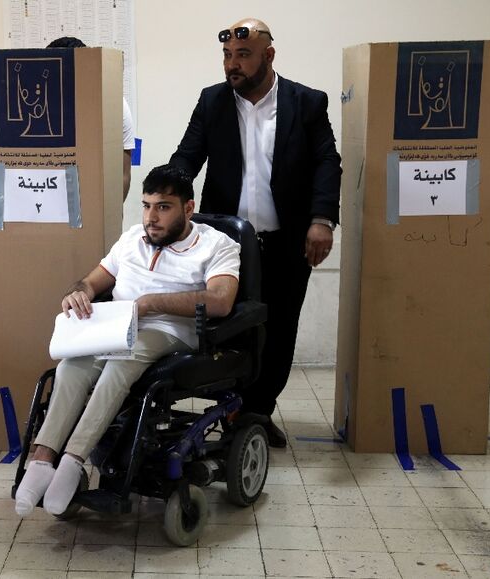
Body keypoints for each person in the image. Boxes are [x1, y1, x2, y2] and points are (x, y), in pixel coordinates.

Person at [14, 164, 241, 517]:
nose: (152, 217)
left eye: (163, 207)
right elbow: (92, 281)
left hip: (170, 330)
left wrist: (152, 303)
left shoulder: (217, 245)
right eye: (147, 205)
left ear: (188, 208)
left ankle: (73, 462)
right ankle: (43, 461)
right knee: (71, 367)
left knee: (120, 363)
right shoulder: (131, 239)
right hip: (117, 325)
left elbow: (221, 300)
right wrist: (79, 293)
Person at [169, 18, 342, 448]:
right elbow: (187, 157)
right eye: (228, 56)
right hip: (226, 245)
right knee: (228, 328)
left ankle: (258, 414)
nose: (233, 65)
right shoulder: (213, 102)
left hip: (286, 241)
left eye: (243, 55)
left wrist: (322, 220)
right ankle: (230, 410)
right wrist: (166, 196)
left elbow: (326, 162)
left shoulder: (307, 103)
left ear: (268, 55)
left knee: (280, 329)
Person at [46, 36, 136, 199]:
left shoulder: (113, 103)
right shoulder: (39, 106)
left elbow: (122, 173)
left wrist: (111, 217)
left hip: (94, 201)